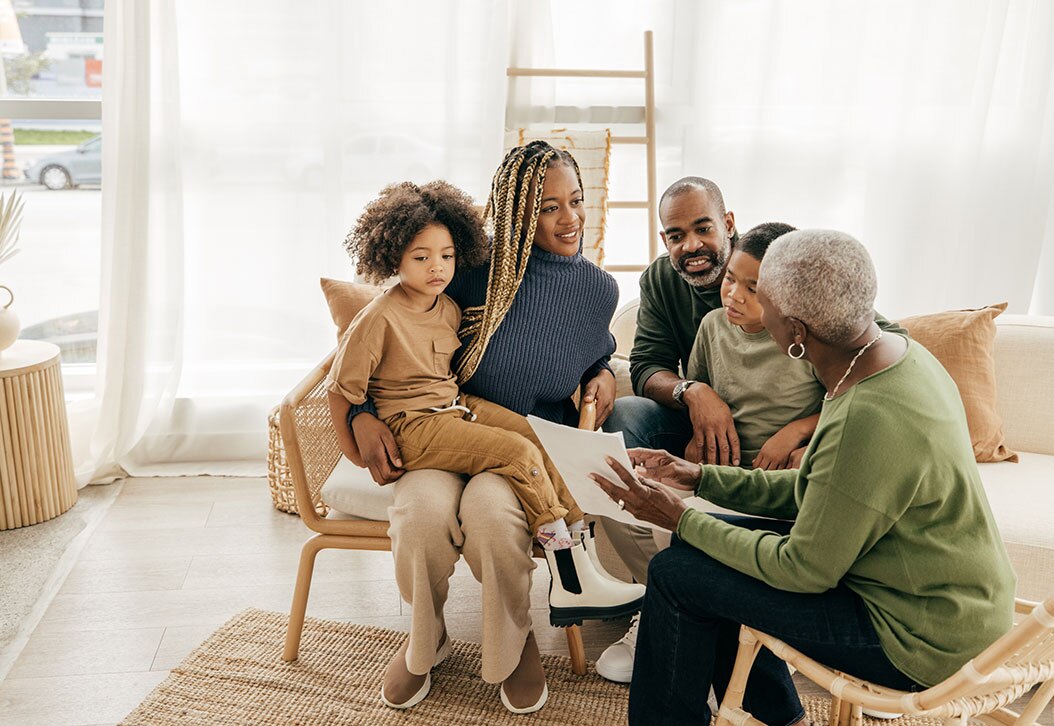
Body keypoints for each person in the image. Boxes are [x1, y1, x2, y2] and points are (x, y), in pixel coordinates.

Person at [590, 229, 1016, 725]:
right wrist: (701, 477)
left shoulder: (867, 414)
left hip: (919, 639)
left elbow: (803, 569)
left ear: (795, 331)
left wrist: (679, 519)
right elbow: (823, 488)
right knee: (698, 555)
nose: (749, 305)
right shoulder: (896, 356)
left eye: (761, 296)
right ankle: (782, 718)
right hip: (946, 600)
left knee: (676, 572)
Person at [335, 141, 630, 714]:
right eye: (548, 207)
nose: (569, 219)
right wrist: (361, 415)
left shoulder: (599, 290)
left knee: (495, 523)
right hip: (438, 433)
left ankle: (512, 642)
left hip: (518, 436)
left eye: (577, 201)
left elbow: (594, 351)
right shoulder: (466, 269)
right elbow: (395, 339)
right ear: (518, 211)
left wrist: (604, 373)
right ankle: (426, 641)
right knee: (419, 520)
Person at [595, 177, 906, 683]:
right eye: (675, 235)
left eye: (703, 229)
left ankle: (716, 616)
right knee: (624, 426)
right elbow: (650, 363)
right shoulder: (690, 306)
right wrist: (695, 396)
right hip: (714, 432)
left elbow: (879, 349)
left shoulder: (791, 274)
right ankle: (662, 599)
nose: (690, 245)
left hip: (785, 452)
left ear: (729, 226)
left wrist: (807, 431)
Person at [686, 221, 822, 471]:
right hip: (723, 469)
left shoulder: (808, 337)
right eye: (729, 278)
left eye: (752, 288)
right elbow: (698, 396)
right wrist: (697, 436)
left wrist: (799, 431)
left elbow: (846, 404)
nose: (734, 295)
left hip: (784, 470)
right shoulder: (711, 325)